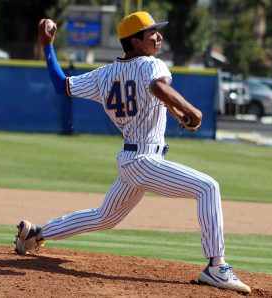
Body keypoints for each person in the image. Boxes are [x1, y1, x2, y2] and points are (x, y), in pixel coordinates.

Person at [14, 12, 251, 294]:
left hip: (131, 161)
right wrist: (190, 110)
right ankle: (216, 266)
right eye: (151, 33)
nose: (158, 37)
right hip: (143, 160)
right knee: (208, 187)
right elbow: (156, 86)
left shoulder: (103, 75)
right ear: (135, 41)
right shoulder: (151, 64)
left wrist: (48, 46)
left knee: (105, 217)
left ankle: (35, 234)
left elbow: (60, 85)